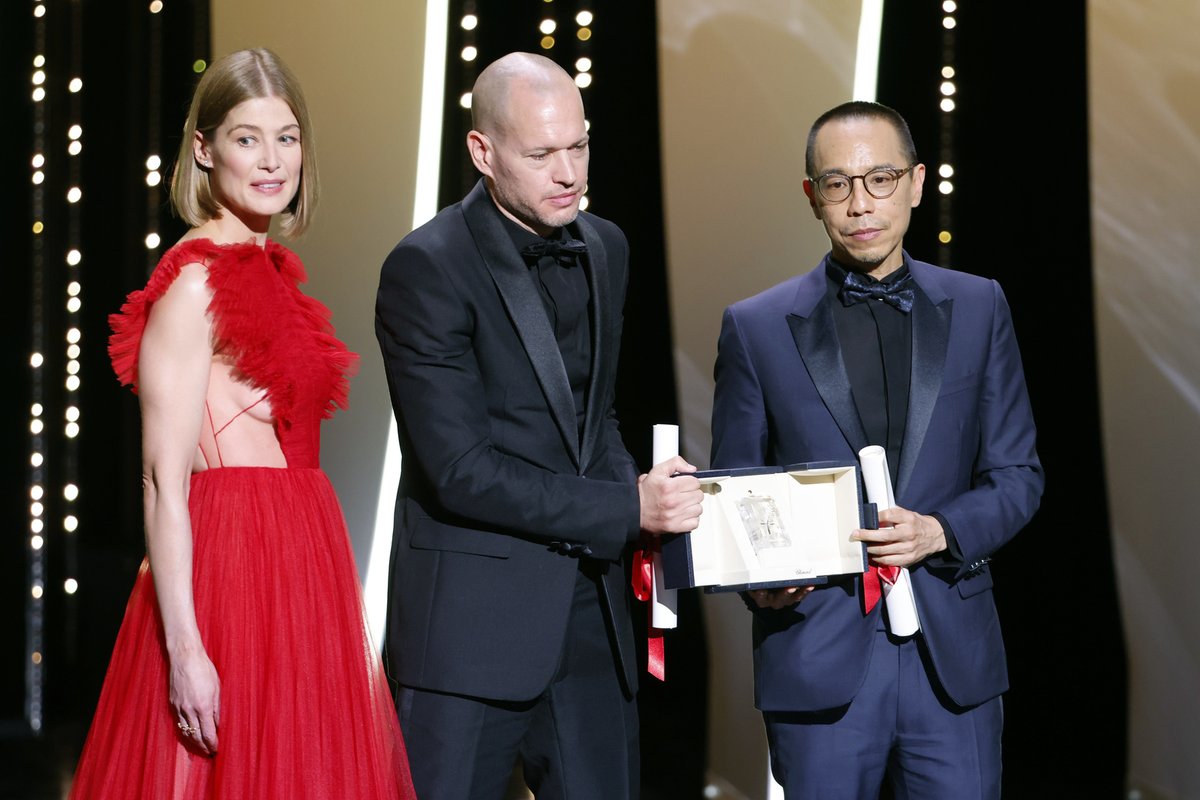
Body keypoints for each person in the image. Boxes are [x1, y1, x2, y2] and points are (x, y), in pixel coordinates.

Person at [69, 48, 416, 799]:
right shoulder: (193, 282)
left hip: (301, 558)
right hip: (232, 566)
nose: (272, 160)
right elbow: (162, 482)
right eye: (247, 137)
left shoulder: (274, 276)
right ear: (205, 148)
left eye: (286, 137)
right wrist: (186, 649)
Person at [375, 52, 703, 800]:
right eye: (543, 154)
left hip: (593, 617)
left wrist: (645, 492)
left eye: (580, 146)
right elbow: (459, 469)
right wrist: (629, 508)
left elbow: (595, 419)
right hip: (471, 629)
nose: (570, 173)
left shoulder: (606, 247)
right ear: (483, 153)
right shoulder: (427, 267)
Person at [710, 101, 1044, 799]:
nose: (860, 203)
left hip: (951, 661)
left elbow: (1018, 475)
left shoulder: (980, 306)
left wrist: (941, 531)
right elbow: (739, 488)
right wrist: (759, 576)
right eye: (837, 184)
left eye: (880, 179)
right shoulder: (756, 327)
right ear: (811, 196)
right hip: (818, 655)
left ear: (917, 183)